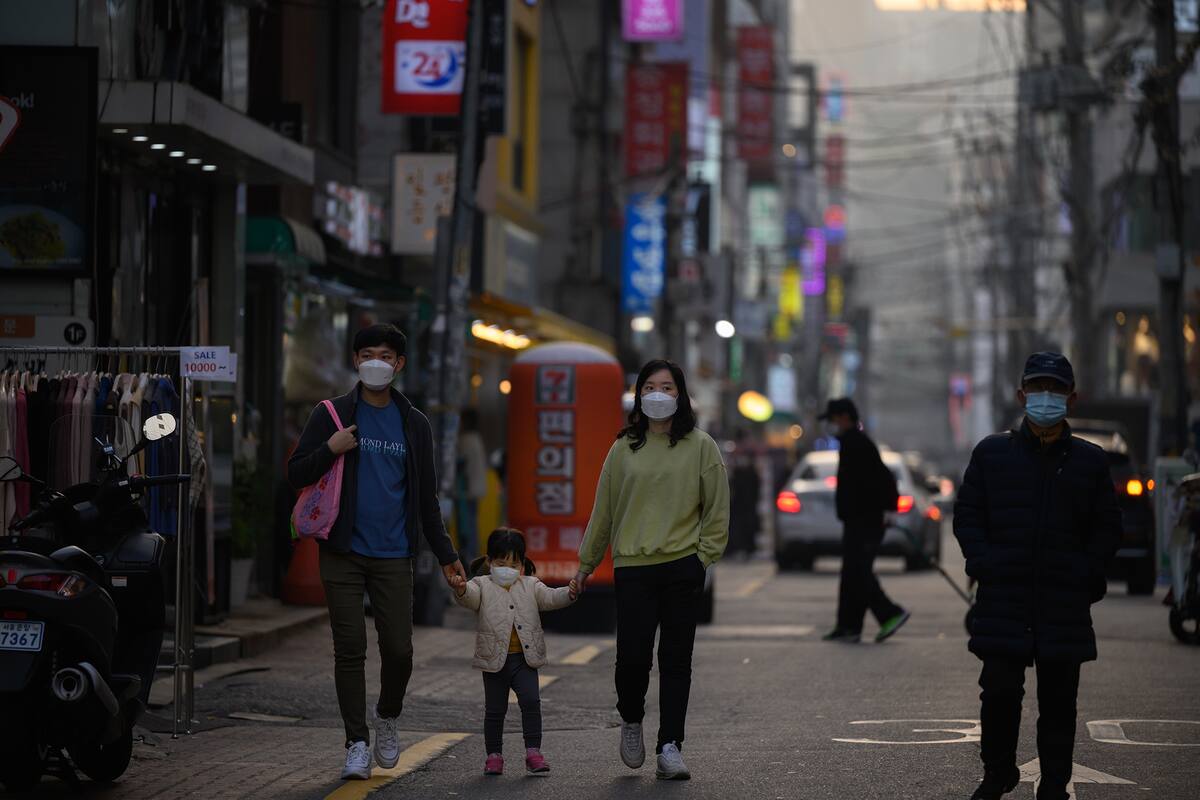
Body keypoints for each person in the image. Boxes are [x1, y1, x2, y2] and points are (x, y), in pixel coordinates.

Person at [287, 323, 467, 781]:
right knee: (349, 648)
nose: (375, 362)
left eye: (385, 355)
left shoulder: (415, 424)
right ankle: (356, 742)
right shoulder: (331, 415)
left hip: (394, 554)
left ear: (399, 364)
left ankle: (387, 716)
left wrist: (447, 556)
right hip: (342, 551)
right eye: (367, 353)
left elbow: (427, 498)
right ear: (354, 360)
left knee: (399, 650)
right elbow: (295, 474)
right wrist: (330, 448)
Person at [954, 352, 1121, 800]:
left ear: (1071, 396)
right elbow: (968, 515)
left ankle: (1053, 784)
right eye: (1038, 388)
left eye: (1056, 389)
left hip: (1062, 601)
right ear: (1021, 394)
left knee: (1059, 701)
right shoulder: (992, 454)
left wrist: (1087, 576)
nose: (1046, 398)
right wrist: (983, 563)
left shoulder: (1089, 462)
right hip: (1004, 597)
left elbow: (1107, 527)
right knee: (999, 695)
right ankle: (998, 774)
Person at [573, 359, 729, 781]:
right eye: (650, 387)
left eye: (668, 387)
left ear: (681, 396)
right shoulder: (623, 449)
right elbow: (603, 511)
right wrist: (586, 565)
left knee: (677, 660)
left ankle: (670, 746)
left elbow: (717, 510)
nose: (659, 394)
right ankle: (630, 718)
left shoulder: (701, 446)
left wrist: (703, 558)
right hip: (634, 568)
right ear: (639, 395)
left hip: (682, 567)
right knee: (632, 659)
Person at [450, 528, 578, 776]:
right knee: (495, 710)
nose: (508, 568)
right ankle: (494, 756)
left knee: (531, 702)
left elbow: (551, 598)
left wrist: (569, 593)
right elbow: (470, 598)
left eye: (514, 563)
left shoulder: (531, 585)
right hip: (493, 661)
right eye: (501, 562)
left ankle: (533, 752)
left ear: (522, 563)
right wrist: (461, 588)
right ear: (489, 561)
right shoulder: (481, 585)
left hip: (525, 660)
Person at [819, 397, 911, 644]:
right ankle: (848, 626)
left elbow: (883, 480)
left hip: (865, 521)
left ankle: (890, 613)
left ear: (844, 417)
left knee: (858, 571)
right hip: (857, 520)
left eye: (832, 419)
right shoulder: (852, 443)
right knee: (851, 572)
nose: (830, 425)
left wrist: (888, 509)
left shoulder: (857, 443)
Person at [455, 408, 488, 563]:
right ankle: (472, 554)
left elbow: (461, 465)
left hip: (466, 490)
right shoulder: (477, 438)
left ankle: (468, 555)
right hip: (475, 488)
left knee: (466, 524)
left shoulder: (465, 440)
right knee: (472, 522)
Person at [727, 429, 762, 559]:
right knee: (744, 520)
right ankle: (746, 548)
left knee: (741, 520)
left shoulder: (738, 451)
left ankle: (745, 548)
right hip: (745, 493)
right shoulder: (747, 451)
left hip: (743, 492)